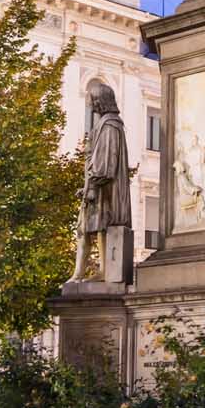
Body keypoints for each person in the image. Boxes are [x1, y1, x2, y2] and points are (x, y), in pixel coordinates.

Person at [71, 81, 134, 282]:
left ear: (99, 101)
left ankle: (104, 271)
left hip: (103, 189)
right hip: (96, 186)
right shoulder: (105, 125)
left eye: (91, 100)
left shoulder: (110, 126)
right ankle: (82, 272)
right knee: (86, 230)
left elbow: (105, 164)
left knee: (100, 227)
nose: (89, 104)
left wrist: (92, 182)